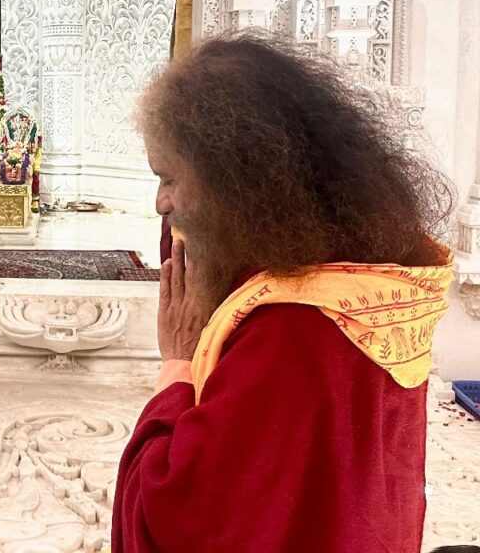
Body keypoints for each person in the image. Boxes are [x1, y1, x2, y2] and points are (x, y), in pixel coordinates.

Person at [112, 34, 456, 553]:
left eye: (167, 178)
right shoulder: (371, 268)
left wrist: (177, 364)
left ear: (233, 181)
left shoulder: (286, 331)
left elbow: (180, 515)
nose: (160, 202)